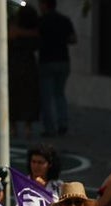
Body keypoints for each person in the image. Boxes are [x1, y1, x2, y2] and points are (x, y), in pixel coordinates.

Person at [37, 0, 75, 138]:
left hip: (47, 61)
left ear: (45, 5)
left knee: (46, 97)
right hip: (63, 61)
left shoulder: (41, 21)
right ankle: (62, 124)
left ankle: (50, 128)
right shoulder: (64, 20)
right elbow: (73, 39)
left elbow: (35, 38)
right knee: (59, 94)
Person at [7, 3, 39, 139]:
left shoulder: (20, 15)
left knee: (21, 96)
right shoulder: (13, 12)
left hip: (20, 62)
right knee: (22, 96)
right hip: (22, 62)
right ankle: (22, 127)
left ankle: (20, 128)